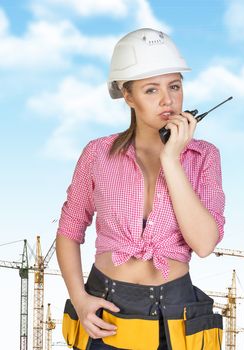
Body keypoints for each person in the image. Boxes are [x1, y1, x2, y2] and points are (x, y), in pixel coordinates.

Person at [56, 28, 225, 350]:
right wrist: (79, 300)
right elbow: (69, 229)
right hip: (106, 306)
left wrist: (171, 160)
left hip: (175, 311)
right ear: (128, 96)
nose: (168, 100)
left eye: (175, 86)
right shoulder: (98, 153)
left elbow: (204, 244)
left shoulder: (204, 157)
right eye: (151, 90)